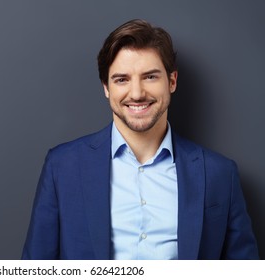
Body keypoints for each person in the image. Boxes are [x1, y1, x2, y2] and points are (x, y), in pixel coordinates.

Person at [22, 19, 259, 259]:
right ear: (106, 87)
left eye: (150, 77)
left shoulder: (219, 173)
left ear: (172, 82)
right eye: (121, 79)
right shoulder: (62, 166)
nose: (136, 94)